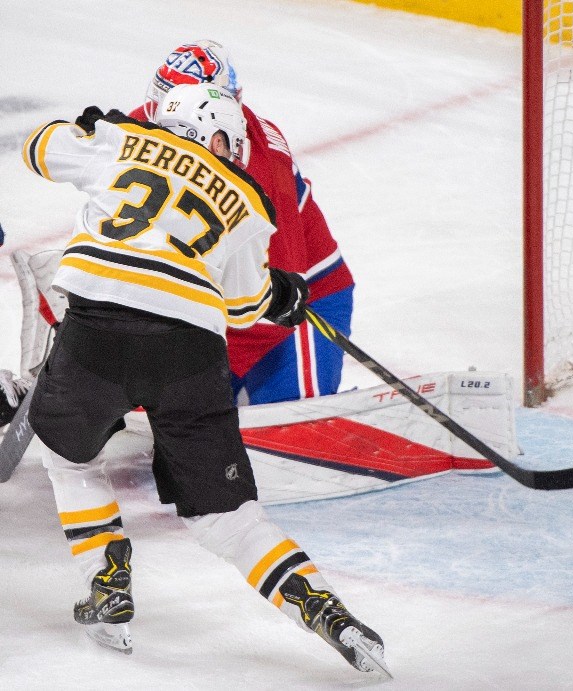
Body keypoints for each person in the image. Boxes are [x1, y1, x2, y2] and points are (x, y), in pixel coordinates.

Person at [20, 83, 389, 676]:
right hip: (189, 353)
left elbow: (37, 150)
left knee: (69, 456)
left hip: (98, 327)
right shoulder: (245, 198)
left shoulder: (124, 141)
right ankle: (323, 607)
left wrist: (88, 130)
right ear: (216, 136)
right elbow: (244, 308)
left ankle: (107, 576)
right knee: (228, 517)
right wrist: (282, 295)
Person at [132, 40, 354, 404]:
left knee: (288, 419)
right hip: (219, 304)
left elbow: (272, 293)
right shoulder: (150, 122)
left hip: (296, 306)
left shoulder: (264, 166)